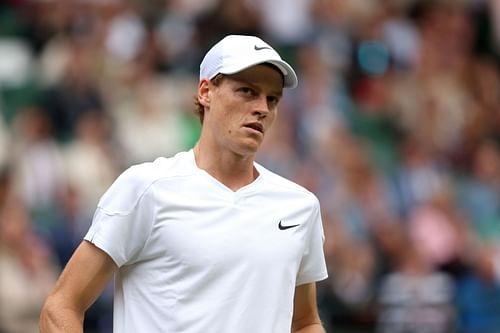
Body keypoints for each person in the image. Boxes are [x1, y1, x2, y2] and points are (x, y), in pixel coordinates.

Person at [39, 34, 328, 333]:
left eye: (272, 99)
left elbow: (305, 322)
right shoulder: (146, 188)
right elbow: (61, 307)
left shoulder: (300, 206)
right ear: (206, 92)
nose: (262, 108)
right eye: (246, 91)